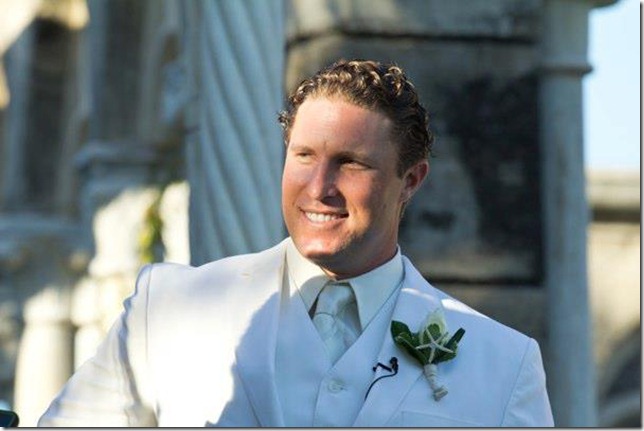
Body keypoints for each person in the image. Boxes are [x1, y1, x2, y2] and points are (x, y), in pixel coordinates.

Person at [38, 59, 554, 427]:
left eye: (351, 163)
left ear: (411, 180)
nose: (319, 187)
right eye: (304, 156)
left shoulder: (503, 364)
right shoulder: (166, 308)